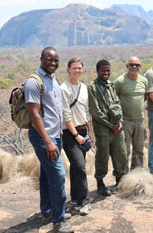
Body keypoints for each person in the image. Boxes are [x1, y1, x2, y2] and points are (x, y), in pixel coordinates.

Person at [25, 47, 74, 233]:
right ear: (41, 59)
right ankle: (58, 221)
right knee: (58, 176)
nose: (53, 63)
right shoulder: (33, 82)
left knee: (47, 175)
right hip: (43, 136)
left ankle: (48, 211)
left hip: (55, 135)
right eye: (49, 60)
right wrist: (47, 140)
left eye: (56, 60)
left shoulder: (52, 79)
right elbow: (34, 114)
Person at [88, 59, 128, 196]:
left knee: (121, 154)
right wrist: (111, 125)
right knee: (102, 156)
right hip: (103, 129)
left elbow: (118, 104)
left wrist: (120, 122)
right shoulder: (92, 87)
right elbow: (96, 111)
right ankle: (100, 183)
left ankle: (120, 181)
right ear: (97, 71)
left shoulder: (111, 85)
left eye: (107, 70)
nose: (106, 73)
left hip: (117, 128)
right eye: (103, 70)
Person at [61, 57, 93, 215]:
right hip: (69, 132)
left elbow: (87, 112)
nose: (77, 71)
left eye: (79, 68)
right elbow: (66, 115)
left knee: (76, 166)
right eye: (74, 68)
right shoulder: (63, 89)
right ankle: (84, 201)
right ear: (68, 69)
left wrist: (89, 133)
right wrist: (75, 135)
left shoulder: (84, 87)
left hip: (83, 130)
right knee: (80, 166)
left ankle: (75, 197)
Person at [114, 56, 148, 169]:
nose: (134, 67)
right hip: (125, 121)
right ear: (127, 66)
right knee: (124, 150)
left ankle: (136, 176)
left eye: (137, 65)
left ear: (140, 66)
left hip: (139, 121)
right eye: (132, 64)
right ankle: (123, 176)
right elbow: (114, 99)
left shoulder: (144, 81)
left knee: (139, 150)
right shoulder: (120, 81)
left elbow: (144, 97)